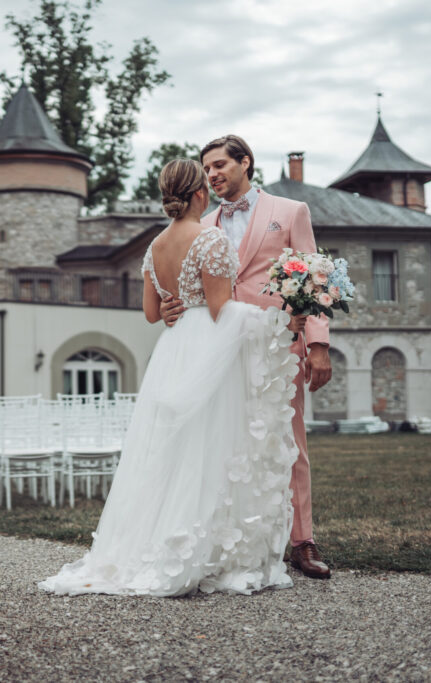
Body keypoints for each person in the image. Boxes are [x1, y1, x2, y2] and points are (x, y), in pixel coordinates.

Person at [40, 159, 303, 597]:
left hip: (173, 347)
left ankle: (157, 545)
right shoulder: (210, 238)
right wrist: (277, 320)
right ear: (200, 193)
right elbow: (222, 310)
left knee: (171, 450)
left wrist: (170, 306)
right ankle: (203, 551)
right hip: (208, 349)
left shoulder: (155, 246)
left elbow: (150, 313)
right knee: (210, 446)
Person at [158, 135, 332, 579]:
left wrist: (318, 345)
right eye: (206, 169)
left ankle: (302, 542)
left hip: (278, 346)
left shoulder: (290, 212)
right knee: (226, 444)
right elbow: (183, 286)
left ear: (245, 162)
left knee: (288, 443)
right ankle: (236, 542)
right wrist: (168, 307)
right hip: (218, 349)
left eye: (220, 165)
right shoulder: (201, 224)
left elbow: (313, 280)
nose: (212, 174)